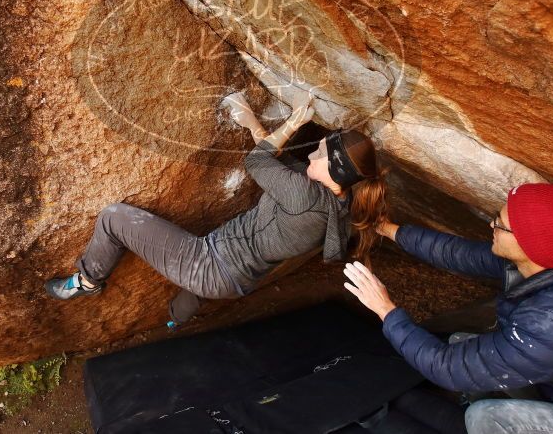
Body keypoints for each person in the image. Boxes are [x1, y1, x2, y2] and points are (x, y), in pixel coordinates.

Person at [45, 91, 389, 326]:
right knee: (194, 291)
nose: (313, 151)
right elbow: (276, 160)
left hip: (210, 264)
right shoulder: (336, 201)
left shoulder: (305, 197)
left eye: (321, 152)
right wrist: (252, 122)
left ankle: (87, 280)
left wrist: (296, 122)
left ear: (336, 171)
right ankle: (175, 320)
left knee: (113, 217)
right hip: (238, 278)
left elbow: (259, 160)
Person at [343, 183, 553, 434]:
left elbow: (446, 367)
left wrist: (386, 309)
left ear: (531, 246)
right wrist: (385, 228)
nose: (491, 224)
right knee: (462, 342)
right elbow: (455, 253)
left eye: (500, 224)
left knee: (485, 417)